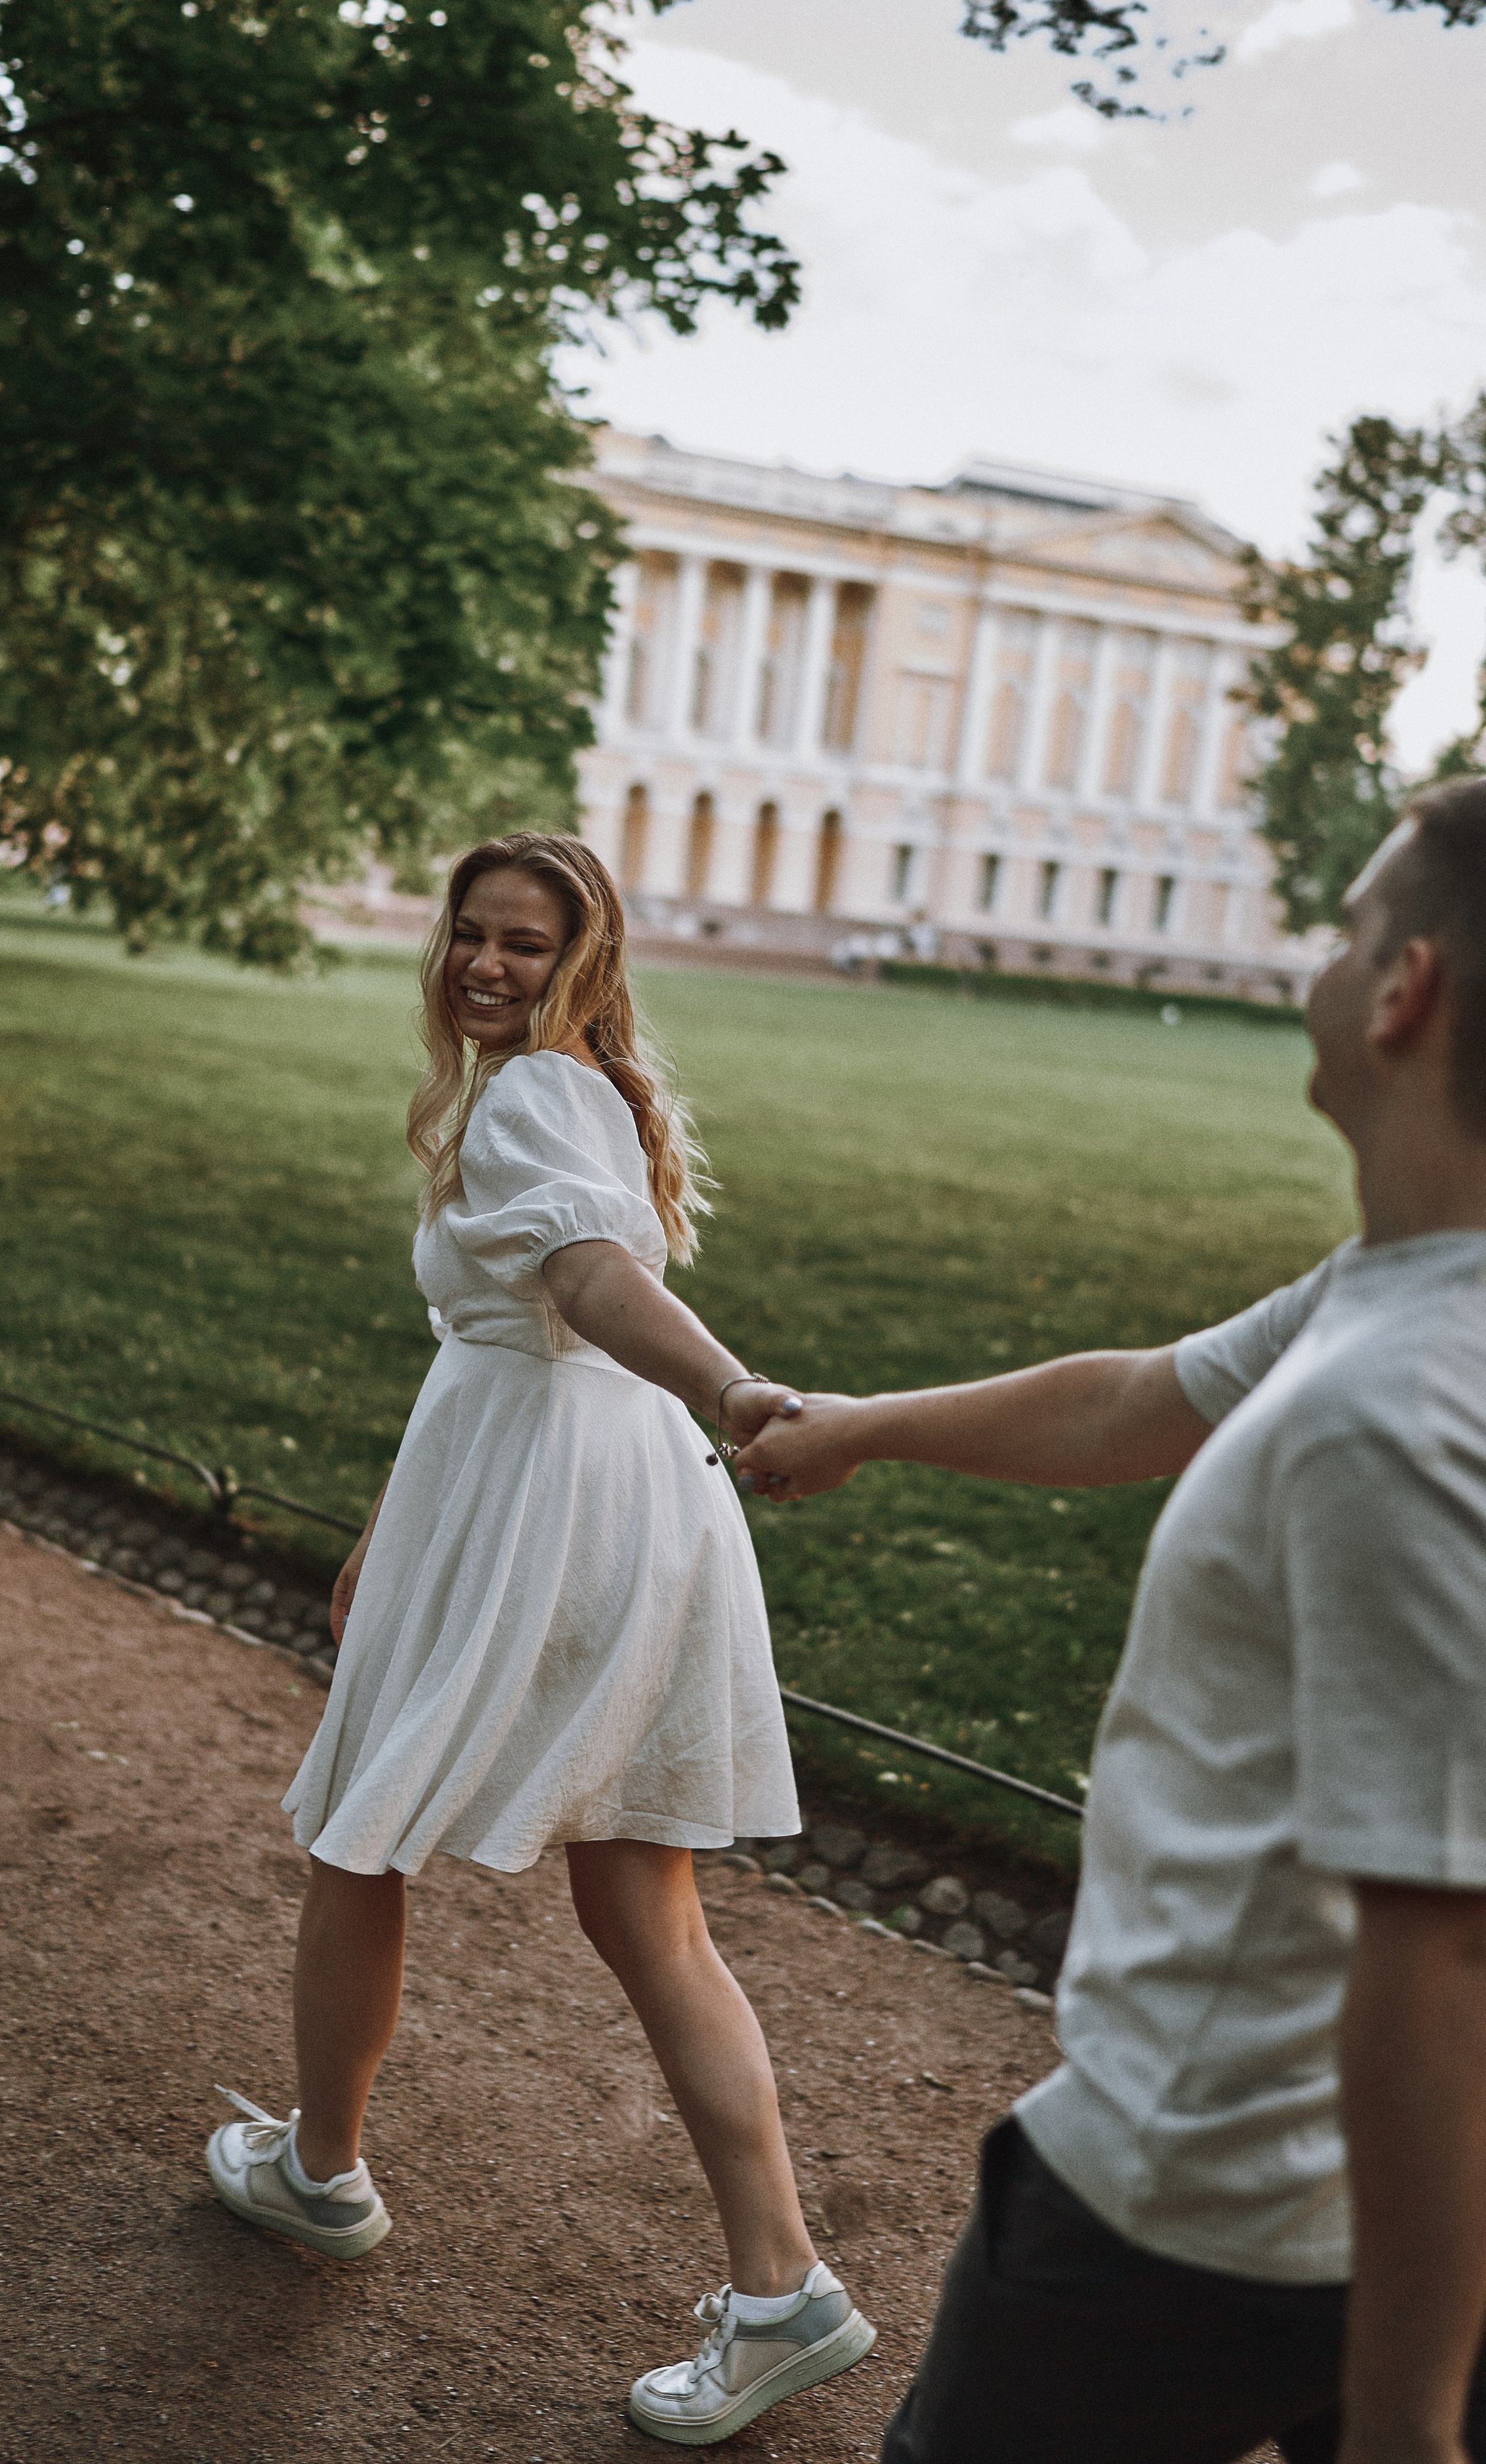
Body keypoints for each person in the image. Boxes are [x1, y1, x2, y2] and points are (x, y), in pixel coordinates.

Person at [736, 777, 1486, 2464]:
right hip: (1359, 2196)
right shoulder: (1403, 1293)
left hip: (1208, 2193)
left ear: (1405, 990)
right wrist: (865, 1422)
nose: (1324, 950)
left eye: (1350, 923)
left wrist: (1411, 2426)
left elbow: (1438, 1943)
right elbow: (1147, 1400)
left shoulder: (1392, 1408)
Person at [205, 832, 875, 2447]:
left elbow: (583, 1277)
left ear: (582, 957)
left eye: (525, 942)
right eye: (471, 935)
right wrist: (395, 1518)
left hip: (552, 1508)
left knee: (361, 1835)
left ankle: (320, 2170)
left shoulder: (530, 1097)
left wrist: (732, 1388)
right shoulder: (571, 1087)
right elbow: (515, 1328)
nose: (486, 964)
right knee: (643, 1909)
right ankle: (782, 2289)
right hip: (569, 1494)